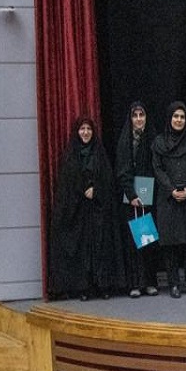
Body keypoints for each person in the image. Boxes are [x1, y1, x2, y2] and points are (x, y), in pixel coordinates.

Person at [49, 118, 127, 300]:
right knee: (82, 251)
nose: (85, 132)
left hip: (99, 212)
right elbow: (66, 186)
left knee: (101, 248)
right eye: (82, 129)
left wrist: (96, 190)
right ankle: (83, 287)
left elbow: (108, 181)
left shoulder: (100, 154)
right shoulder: (70, 156)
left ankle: (103, 285)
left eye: (89, 129)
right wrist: (82, 191)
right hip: (79, 213)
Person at [151, 102, 186, 298]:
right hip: (168, 199)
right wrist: (171, 189)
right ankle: (173, 283)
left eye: (182, 117)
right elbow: (157, 169)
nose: (179, 120)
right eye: (176, 116)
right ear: (169, 118)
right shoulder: (159, 142)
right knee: (170, 244)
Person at [115, 102, 160, 297]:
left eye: (142, 115)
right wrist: (131, 195)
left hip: (148, 194)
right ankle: (134, 283)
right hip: (131, 198)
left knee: (148, 239)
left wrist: (148, 192)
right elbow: (122, 171)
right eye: (135, 115)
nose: (139, 119)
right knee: (133, 241)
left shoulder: (152, 138)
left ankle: (149, 281)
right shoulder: (125, 141)